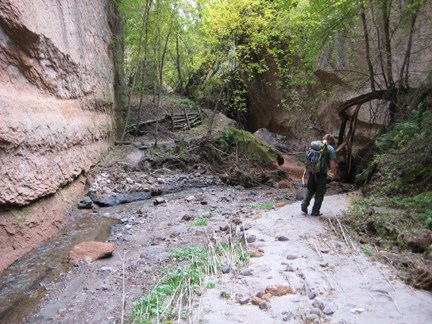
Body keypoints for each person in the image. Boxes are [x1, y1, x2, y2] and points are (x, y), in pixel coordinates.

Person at [301, 134, 337, 216]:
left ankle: (304, 203)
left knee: (311, 188)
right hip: (321, 173)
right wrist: (333, 174)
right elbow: (332, 165)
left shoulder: (314, 146)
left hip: (312, 170)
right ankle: (315, 211)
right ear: (330, 141)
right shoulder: (330, 149)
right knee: (320, 192)